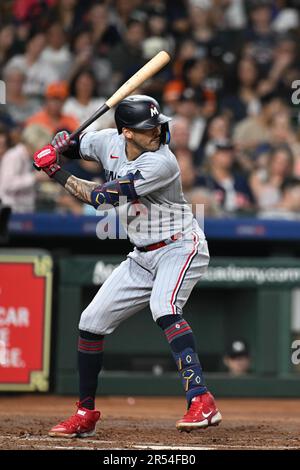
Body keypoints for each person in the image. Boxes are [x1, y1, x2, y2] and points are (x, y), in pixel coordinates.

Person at [33, 94, 222, 437]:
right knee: (90, 322)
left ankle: (201, 400)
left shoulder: (161, 162)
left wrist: (54, 169)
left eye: (157, 125)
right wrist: (62, 141)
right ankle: (85, 413)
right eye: (148, 127)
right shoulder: (109, 140)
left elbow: (102, 199)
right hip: (142, 254)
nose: (158, 131)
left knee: (163, 307)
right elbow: (78, 144)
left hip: (179, 246)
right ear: (127, 133)